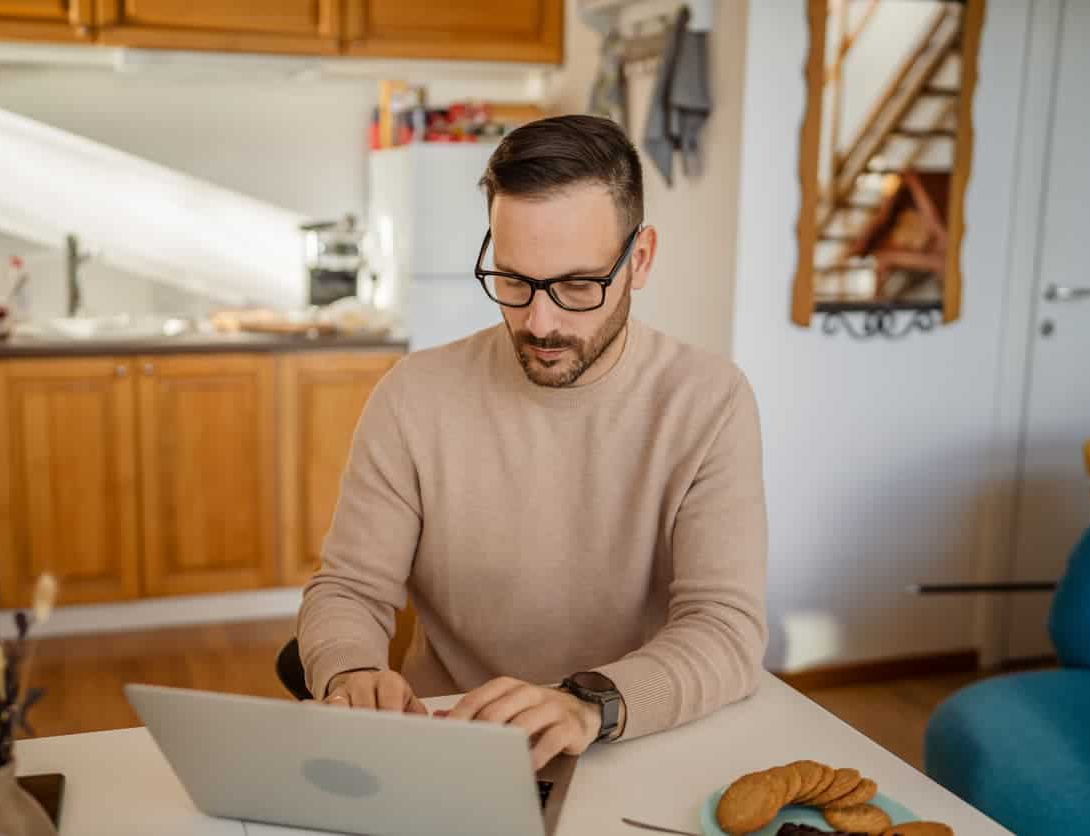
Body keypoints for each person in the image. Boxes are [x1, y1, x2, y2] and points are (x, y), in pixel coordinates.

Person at [297, 114, 767, 771]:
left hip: (632, 741)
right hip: (448, 744)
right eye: (514, 281)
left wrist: (587, 705)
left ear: (641, 260)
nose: (539, 322)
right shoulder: (413, 395)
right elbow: (349, 591)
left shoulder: (709, 402)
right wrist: (347, 672)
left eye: (578, 285)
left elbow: (726, 630)